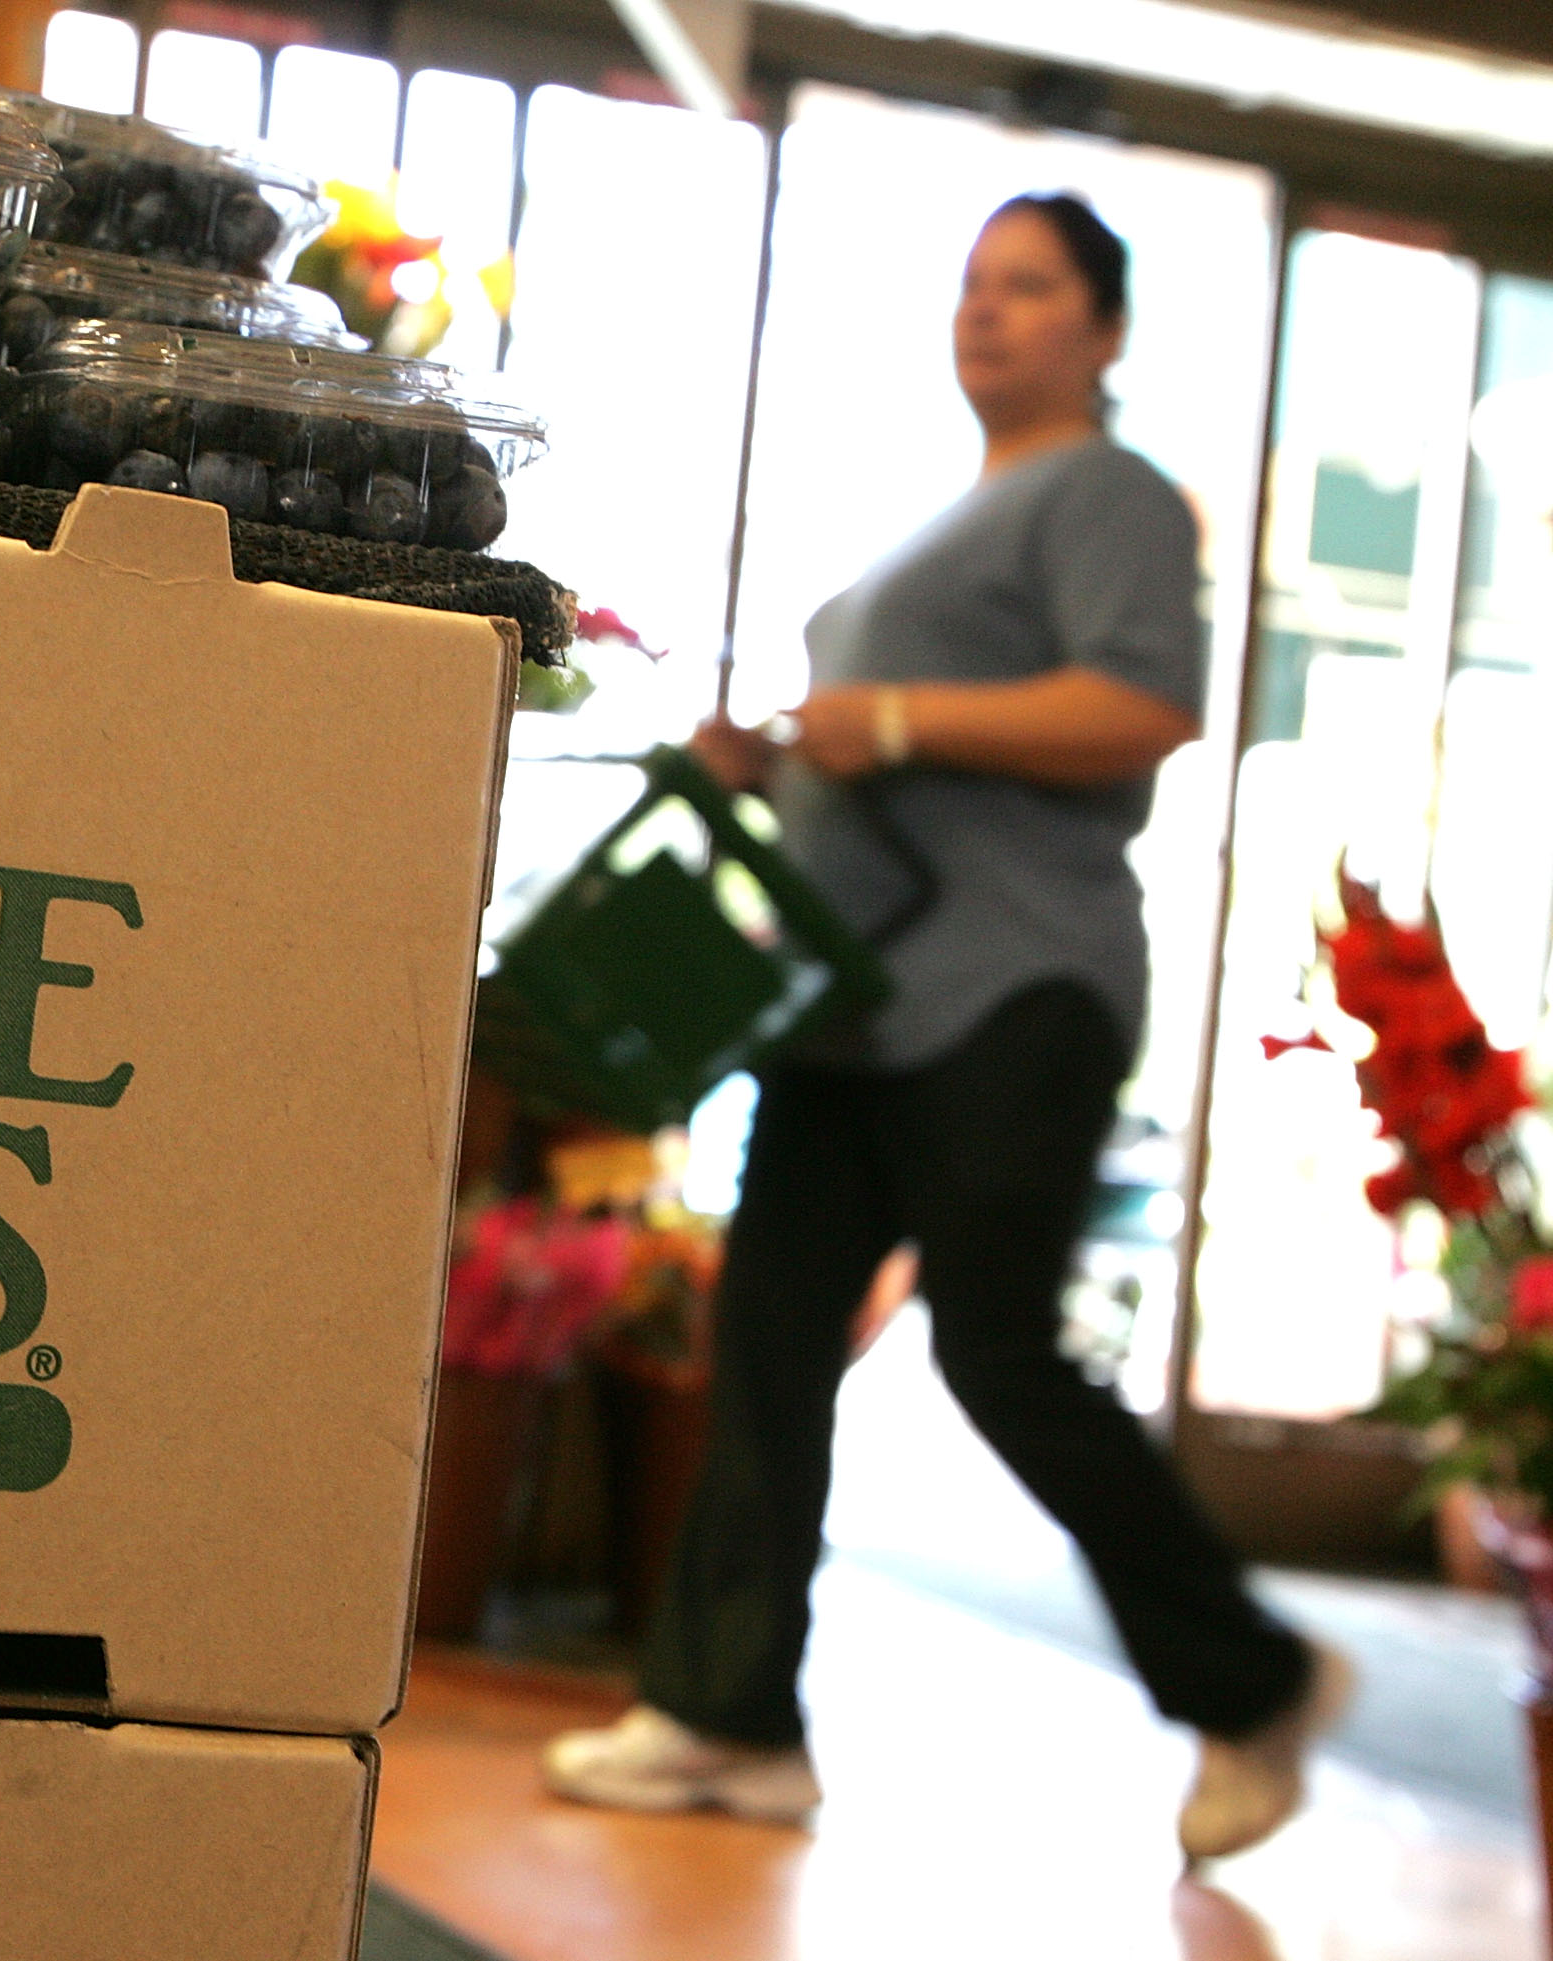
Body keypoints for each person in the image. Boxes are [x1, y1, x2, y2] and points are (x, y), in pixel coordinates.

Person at [539, 192, 1352, 1862]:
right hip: (852, 1007)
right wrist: (777, 750)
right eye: (972, 286)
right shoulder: (954, 516)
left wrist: (893, 713)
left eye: (1032, 288)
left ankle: (1252, 1677)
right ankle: (728, 1717)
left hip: (1012, 988)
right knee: (767, 1341)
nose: (987, 314)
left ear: (1106, 331)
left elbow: (1146, 705)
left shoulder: (1107, 493)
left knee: (994, 1347)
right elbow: (882, 737)